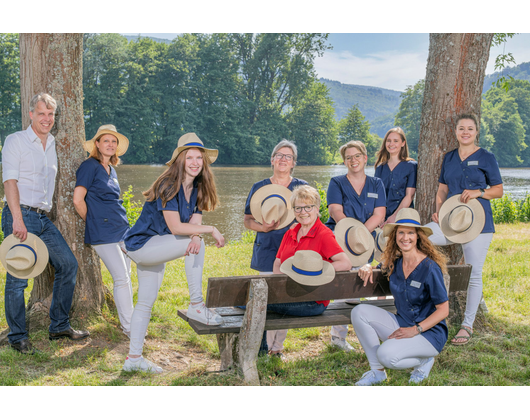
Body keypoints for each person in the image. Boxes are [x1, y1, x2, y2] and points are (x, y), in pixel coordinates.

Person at [121, 133, 225, 373]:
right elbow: (176, 228)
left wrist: (198, 234)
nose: (195, 162)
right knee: (198, 247)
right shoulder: (168, 183)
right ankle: (196, 304)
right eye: (190, 157)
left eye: (199, 157)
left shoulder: (198, 187)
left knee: (145, 304)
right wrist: (210, 230)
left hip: (157, 246)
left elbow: (193, 225)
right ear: (180, 159)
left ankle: (133, 359)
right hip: (142, 245)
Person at [1, 93, 89, 354]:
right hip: (21, 214)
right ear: (31, 114)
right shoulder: (16, 141)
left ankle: (59, 325)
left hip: (42, 217)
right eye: (41, 114)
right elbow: (10, 182)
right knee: (18, 277)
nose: (47, 119)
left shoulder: (50, 142)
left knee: (68, 264)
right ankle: (17, 335)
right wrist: (17, 218)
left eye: (51, 115)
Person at [425, 113, 503, 346]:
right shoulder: (449, 158)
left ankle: (467, 324)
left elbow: (498, 190)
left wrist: (480, 192)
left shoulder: (486, 157)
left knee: (474, 273)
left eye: (470, 128)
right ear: (456, 132)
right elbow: (441, 189)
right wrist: (439, 211)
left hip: (479, 222)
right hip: (450, 220)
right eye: (461, 128)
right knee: (421, 237)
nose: (465, 132)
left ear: (476, 131)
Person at [351, 208, 449, 385]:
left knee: (386, 355)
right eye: (401, 232)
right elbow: (379, 266)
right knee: (359, 312)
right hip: (402, 323)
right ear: (395, 236)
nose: (405, 238)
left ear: (418, 236)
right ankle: (377, 374)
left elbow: (444, 310)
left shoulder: (430, 268)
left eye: (410, 233)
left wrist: (415, 330)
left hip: (428, 333)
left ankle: (424, 360)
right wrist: (368, 267)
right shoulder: (395, 261)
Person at [267, 185, 351, 353]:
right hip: (289, 295)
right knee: (258, 303)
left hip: (313, 301)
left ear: (317, 208)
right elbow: (277, 262)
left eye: (308, 207)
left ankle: (262, 353)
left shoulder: (323, 234)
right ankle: (269, 351)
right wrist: (280, 283)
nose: (303, 211)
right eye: (298, 207)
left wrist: (317, 273)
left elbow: (345, 263)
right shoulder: (291, 232)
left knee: (256, 304)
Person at [244, 139, 308, 357]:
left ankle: (277, 348)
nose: (283, 159)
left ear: (293, 163)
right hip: (267, 248)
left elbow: (311, 217)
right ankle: (261, 346)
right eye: (279, 155)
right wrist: (262, 227)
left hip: (294, 250)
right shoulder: (259, 187)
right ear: (272, 160)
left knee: (285, 297)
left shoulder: (302, 187)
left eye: (288, 156)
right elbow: (247, 220)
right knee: (265, 299)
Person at [325, 140, 386, 350]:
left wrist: (361, 234)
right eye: (348, 157)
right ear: (344, 161)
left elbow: (380, 214)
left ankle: (369, 331)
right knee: (344, 285)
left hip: (364, 240)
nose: (353, 160)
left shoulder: (377, 183)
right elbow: (335, 211)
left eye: (357, 156)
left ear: (365, 158)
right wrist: (350, 233)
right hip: (341, 237)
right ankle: (338, 337)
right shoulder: (337, 182)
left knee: (363, 281)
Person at [73, 124, 133, 337]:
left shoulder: (112, 169)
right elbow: (78, 200)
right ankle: (129, 327)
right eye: (105, 140)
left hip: (122, 229)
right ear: (97, 144)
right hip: (103, 232)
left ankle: (130, 321)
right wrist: (94, 222)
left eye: (113, 141)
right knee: (121, 278)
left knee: (128, 275)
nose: (110, 144)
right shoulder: (89, 166)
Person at [374, 127, 417, 226]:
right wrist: (379, 217)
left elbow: (409, 196)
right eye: (388, 141)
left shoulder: (411, 166)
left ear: (403, 143)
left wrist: (394, 216)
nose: (391, 144)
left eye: (395, 141)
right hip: (382, 217)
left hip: (404, 216)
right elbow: (377, 197)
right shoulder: (380, 168)